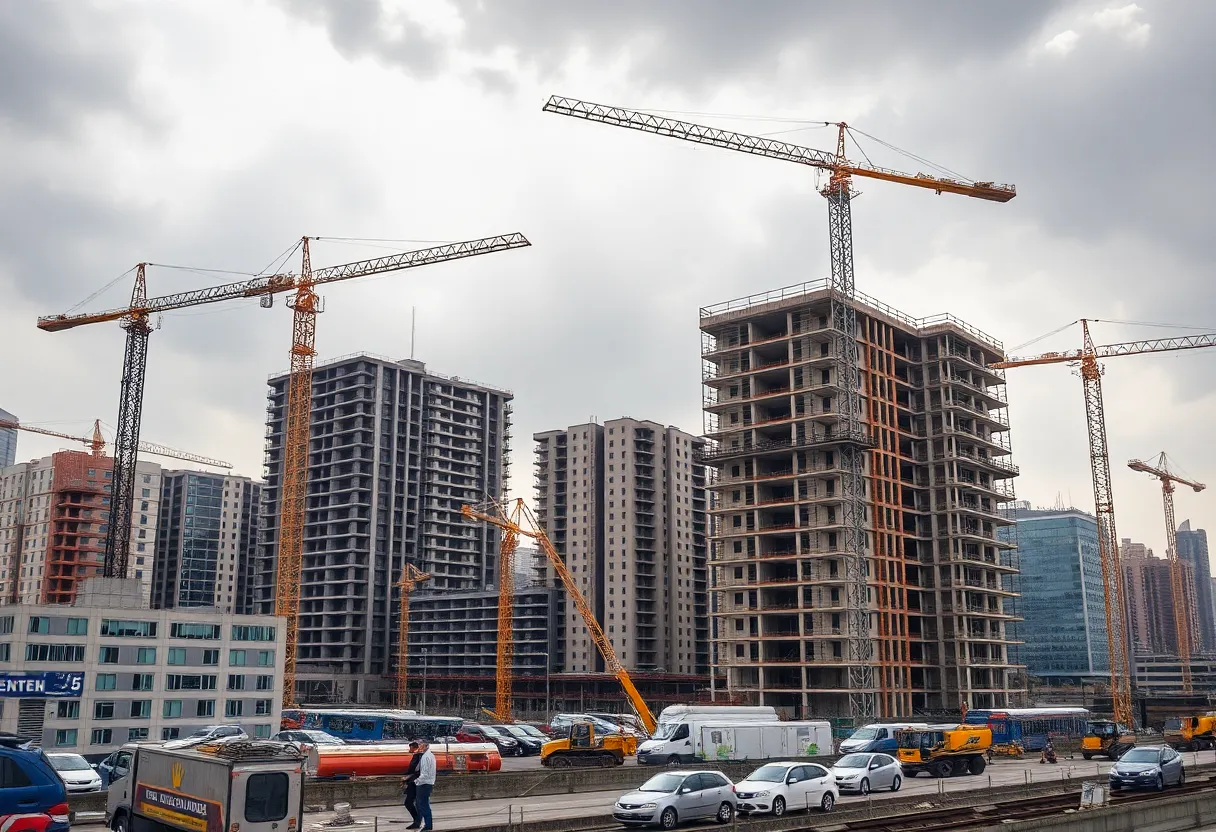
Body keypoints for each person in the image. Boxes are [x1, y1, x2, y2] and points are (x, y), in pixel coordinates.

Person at [415, 740, 437, 831]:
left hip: (424, 783)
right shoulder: (431, 755)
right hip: (428, 782)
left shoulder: (425, 757)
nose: (419, 746)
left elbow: (425, 772)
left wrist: (417, 781)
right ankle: (426, 823)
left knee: (422, 804)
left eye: (420, 744)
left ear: (425, 746)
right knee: (424, 803)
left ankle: (427, 825)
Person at [401, 741, 423, 829]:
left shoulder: (417, 756)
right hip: (419, 782)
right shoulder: (422, 756)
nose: (409, 750)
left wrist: (405, 777)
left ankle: (417, 821)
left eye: (410, 748)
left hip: (415, 782)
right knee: (416, 803)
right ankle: (417, 821)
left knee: (409, 802)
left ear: (414, 747)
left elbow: (412, 769)